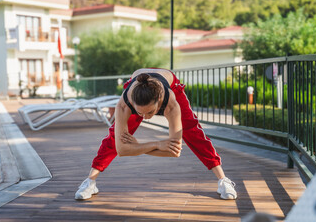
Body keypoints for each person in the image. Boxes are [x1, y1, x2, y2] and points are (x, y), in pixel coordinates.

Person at [75, 68, 237, 200]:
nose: (145, 118)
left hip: (168, 83)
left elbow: (174, 151)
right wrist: (157, 144)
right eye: (140, 113)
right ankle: (90, 181)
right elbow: (121, 149)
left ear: (160, 102)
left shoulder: (171, 103)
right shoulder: (124, 105)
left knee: (192, 132)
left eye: (150, 112)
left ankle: (223, 180)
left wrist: (137, 147)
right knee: (113, 137)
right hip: (140, 85)